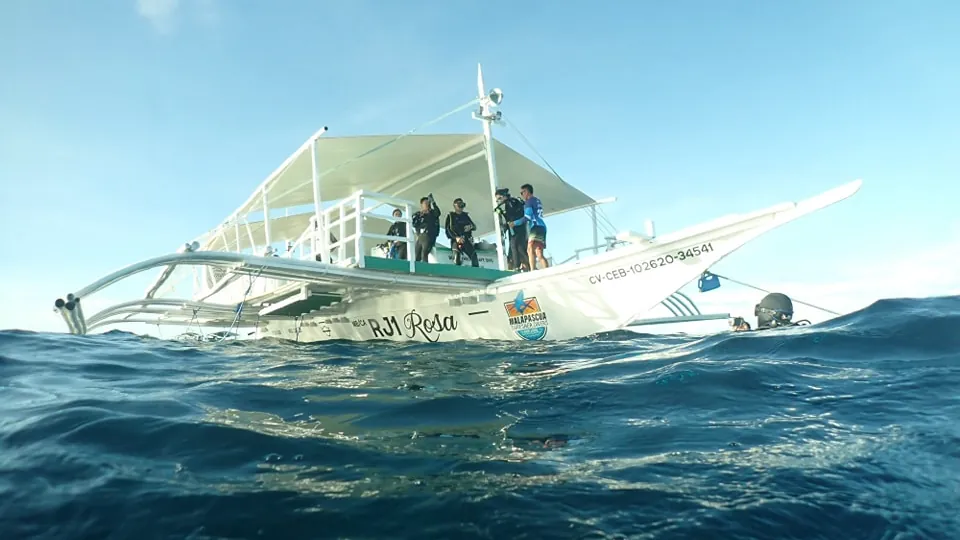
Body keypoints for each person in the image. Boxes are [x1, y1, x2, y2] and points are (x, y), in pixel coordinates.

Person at [508, 183, 549, 270]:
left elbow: (527, 217)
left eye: (522, 192)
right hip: (542, 227)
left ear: (527, 191)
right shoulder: (537, 200)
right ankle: (547, 270)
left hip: (535, 227)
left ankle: (533, 270)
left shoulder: (529, 201)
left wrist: (514, 223)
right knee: (539, 253)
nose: (522, 195)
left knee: (529, 250)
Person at [494, 187, 529, 271]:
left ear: (504, 196)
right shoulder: (512, 202)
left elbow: (512, 217)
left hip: (517, 228)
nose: (498, 201)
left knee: (514, 246)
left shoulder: (510, 203)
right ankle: (526, 265)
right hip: (517, 228)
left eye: (500, 198)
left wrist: (502, 214)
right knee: (520, 248)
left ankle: (516, 266)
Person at [444, 197, 479, 267]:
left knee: (474, 256)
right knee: (457, 257)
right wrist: (456, 237)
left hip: (466, 239)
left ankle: (476, 273)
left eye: (462, 204)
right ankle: (458, 273)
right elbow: (448, 230)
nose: (461, 206)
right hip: (456, 240)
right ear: (455, 206)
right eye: (459, 204)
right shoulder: (451, 216)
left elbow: (474, 226)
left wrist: (470, 227)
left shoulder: (465, 216)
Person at [411, 194, 441, 262]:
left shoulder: (433, 213)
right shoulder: (418, 214)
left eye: (428, 203)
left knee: (424, 253)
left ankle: (425, 269)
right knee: (416, 256)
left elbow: (438, 213)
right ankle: (417, 271)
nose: (427, 204)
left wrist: (433, 202)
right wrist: (420, 216)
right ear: (422, 205)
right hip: (420, 236)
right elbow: (414, 224)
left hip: (429, 236)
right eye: (425, 203)